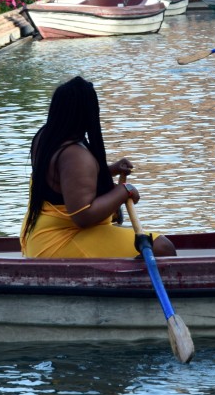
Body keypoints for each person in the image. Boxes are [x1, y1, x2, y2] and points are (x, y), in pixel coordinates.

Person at [20, 76, 176, 259]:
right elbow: (83, 216)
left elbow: (66, 182)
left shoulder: (46, 136)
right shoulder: (75, 154)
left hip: (39, 237)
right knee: (163, 248)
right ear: (87, 112)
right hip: (60, 242)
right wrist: (125, 191)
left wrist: (109, 171)